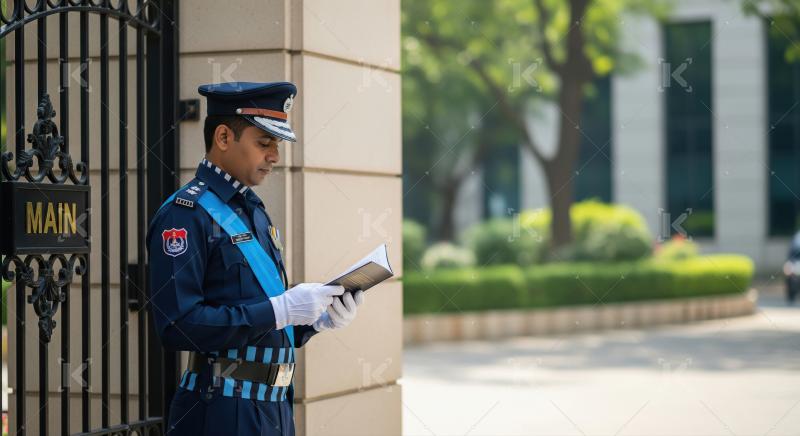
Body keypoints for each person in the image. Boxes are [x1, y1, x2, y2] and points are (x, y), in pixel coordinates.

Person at [146, 81, 365, 435]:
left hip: (273, 407)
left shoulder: (254, 210)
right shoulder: (185, 214)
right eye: (264, 143)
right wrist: (281, 310)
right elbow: (178, 325)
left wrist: (312, 320)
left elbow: (256, 317)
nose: (274, 156)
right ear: (222, 138)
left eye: (276, 145)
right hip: (219, 409)